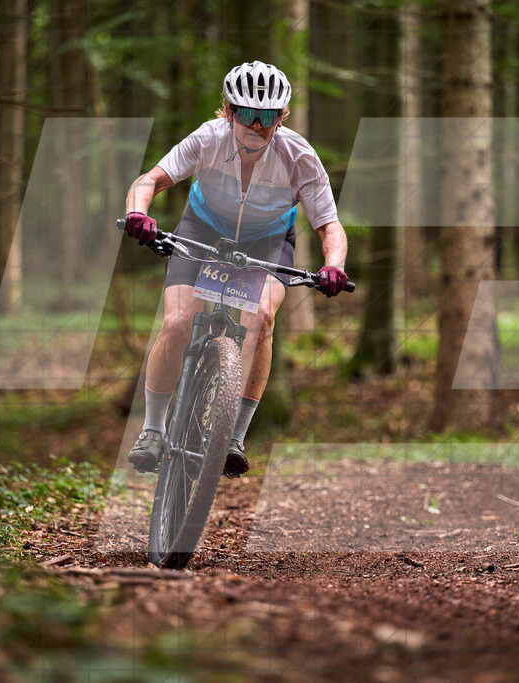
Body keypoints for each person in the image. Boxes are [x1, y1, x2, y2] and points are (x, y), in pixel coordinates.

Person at [123, 60, 349, 478]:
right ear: (228, 111)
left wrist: (333, 265)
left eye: (268, 117)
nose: (257, 126)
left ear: (281, 117)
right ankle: (152, 429)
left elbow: (329, 225)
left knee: (262, 319)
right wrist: (139, 214)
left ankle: (234, 437)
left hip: (268, 241)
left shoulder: (299, 157)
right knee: (176, 322)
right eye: (247, 114)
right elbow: (149, 180)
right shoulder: (207, 139)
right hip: (202, 230)